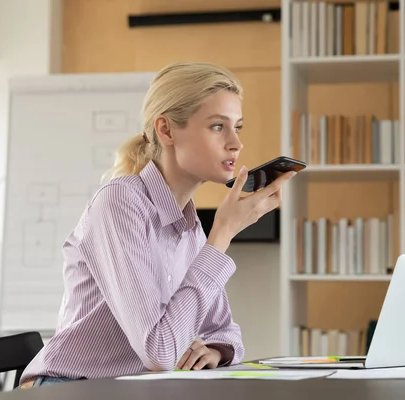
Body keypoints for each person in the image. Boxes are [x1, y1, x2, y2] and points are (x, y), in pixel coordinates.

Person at [18, 61, 295, 388]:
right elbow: (160, 351)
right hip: (69, 388)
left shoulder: (189, 227)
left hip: (132, 388)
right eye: (218, 126)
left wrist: (216, 351)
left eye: (238, 127)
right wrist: (223, 233)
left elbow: (223, 329)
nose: (236, 143)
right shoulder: (120, 202)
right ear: (166, 130)